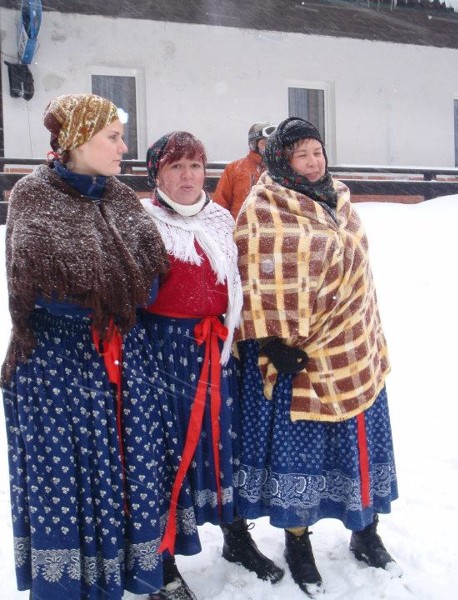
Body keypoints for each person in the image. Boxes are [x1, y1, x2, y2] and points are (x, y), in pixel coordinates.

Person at [0, 93, 171, 600]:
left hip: (122, 361)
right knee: (66, 480)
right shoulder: (34, 196)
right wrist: (115, 293)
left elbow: (150, 278)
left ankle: (123, 575)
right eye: (113, 137)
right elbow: (45, 290)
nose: (124, 147)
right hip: (57, 367)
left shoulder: (120, 198)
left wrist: (112, 293)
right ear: (77, 139)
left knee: (125, 472)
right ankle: (68, 586)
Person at [233, 117, 400, 596]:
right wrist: (271, 344)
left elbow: (360, 275)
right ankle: (298, 542)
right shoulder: (262, 209)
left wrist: (358, 327)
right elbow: (249, 281)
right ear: (281, 159)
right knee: (302, 457)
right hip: (298, 360)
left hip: (352, 350)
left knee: (358, 448)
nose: (312, 162)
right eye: (301, 154)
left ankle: (365, 532)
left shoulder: (340, 199)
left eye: (317, 152)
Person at [139, 131, 283, 600]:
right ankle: (161, 560)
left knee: (224, 446)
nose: (188, 176)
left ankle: (235, 537)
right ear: (157, 174)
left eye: (196, 166)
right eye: (176, 167)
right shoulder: (142, 222)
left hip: (219, 352)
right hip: (163, 355)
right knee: (167, 454)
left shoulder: (221, 219)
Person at [212, 121, 275, 220]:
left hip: (273, 228)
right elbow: (219, 206)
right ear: (253, 144)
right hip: (239, 228)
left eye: (273, 143)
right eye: (265, 143)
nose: (270, 147)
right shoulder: (234, 169)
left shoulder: (281, 170)